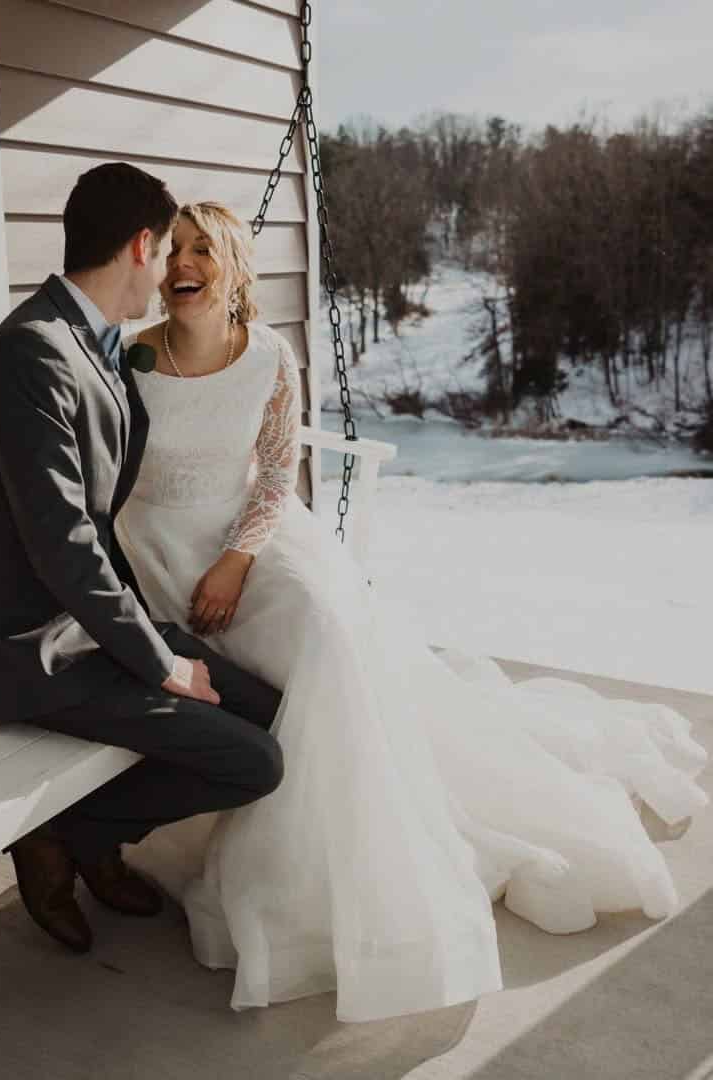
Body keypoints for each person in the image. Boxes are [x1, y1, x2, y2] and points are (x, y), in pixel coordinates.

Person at [115, 201, 710, 1023]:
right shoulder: (132, 358)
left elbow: (279, 472)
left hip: (246, 541)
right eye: (173, 249)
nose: (183, 263)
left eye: (203, 249)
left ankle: (328, 871)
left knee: (328, 638)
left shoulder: (271, 360)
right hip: (155, 552)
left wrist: (238, 558)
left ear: (235, 267)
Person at [0, 168, 285, 956]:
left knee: (267, 711)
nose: (169, 273)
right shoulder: (32, 351)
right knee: (254, 761)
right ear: (140, 245)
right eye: (166, 251)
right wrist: (161, 661)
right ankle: (64, 837)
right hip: (26, 647)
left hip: (87, 622)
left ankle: (84, 836)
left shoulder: (94, 341)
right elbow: (64, 542)